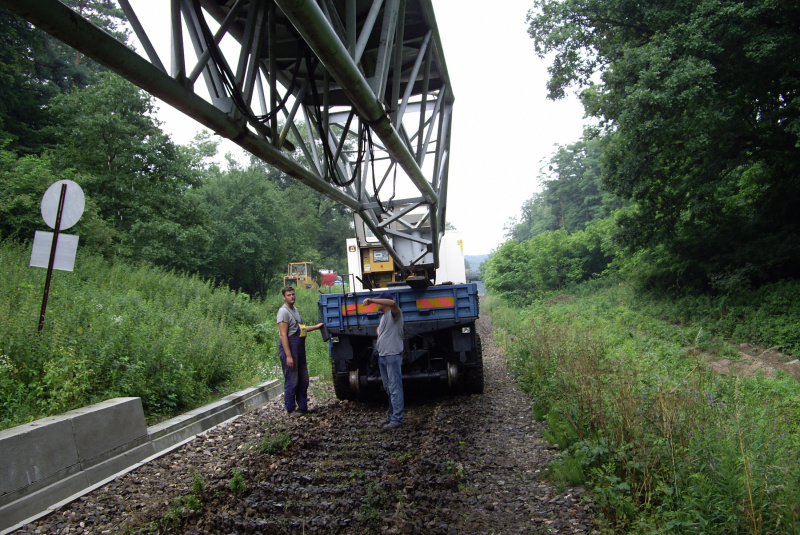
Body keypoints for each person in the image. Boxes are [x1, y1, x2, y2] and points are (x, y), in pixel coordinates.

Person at [277, 286, 323, 416]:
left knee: (303, 379)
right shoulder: (283, 312)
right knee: (292, 380)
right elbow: (283, 335)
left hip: (299, 349)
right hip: (290, 349)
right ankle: (290, 409)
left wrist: (315, 327)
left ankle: (303, 407)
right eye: (288, 295)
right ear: (284, 297)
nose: (292, 297)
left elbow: (300, 329)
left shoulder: (295, 310)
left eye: (293, 294)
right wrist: (288, 356)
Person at [362, 291, 404, 430]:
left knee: (395, 388)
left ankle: (397, 419)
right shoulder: (384, 317)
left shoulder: (394, 314)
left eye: (380, 302)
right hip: (383, 356)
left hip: (392, 355)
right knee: (388, 388)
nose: (377, 304)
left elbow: (393, 303)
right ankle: (391, 416)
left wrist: (372, 300)